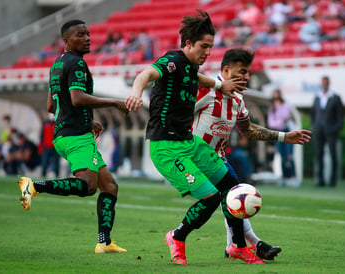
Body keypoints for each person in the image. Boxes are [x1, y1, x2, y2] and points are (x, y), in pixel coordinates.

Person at [126, 10, 267, 265]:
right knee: (211, 198)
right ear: (188, 43)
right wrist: (137, 93)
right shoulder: (172, 60)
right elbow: (145, 74)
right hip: (167, 148)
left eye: (211, 47)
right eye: (204, 46)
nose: (208, 52)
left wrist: (218, 85)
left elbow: (196, 76)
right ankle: (177, 236)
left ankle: (237, 247)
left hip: (189, 143)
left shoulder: (190, 67)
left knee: (231, 188)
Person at [17, 19, 129, 253]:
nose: (87, 38)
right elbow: (77, 98)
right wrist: (114, 103)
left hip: (69, 133)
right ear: (67, 40)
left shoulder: (57, 63)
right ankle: (34, 185)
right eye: (80, 35)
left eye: (88, 34)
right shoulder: (77, 64)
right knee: (88, 186)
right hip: (76, 136)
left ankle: (104, 242)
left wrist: (88, 119)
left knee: (109, 186)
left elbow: (51, 105)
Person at [192, 48, 311, 260]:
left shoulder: (237, 98)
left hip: (217, 158)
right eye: (242, 71)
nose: (247, 77)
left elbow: (248, 129)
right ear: (226, 71)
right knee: (233, 194)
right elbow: (180, 113)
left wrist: (285, 137)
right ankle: (249, 245)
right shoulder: (206, 90)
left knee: (233, 197)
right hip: (196, 157)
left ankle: (238, 246)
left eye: (249, 72)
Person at [311, 76, 345, 187]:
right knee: (318, 154)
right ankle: (320, 179)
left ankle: (333, 180)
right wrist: (314, 127)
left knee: (333, 155)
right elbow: (313, 114)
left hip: (331, 131)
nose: (324, 84)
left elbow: (340, 116)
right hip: (318, 131)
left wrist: (336, 128)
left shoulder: (335, 97)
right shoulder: (317, 97)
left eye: (326, 82)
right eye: (323, 82)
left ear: (329, 83)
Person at [267, 89, 299, 186]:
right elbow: (271, 123)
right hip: (279, 133)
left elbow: (286, 116)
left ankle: (293, 177)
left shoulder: (286, 105)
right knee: (281, 155)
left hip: (287, 131)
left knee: (289, 155)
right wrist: (280, 121)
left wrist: (280, 118)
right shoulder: (272, 109)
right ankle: (284, 177)